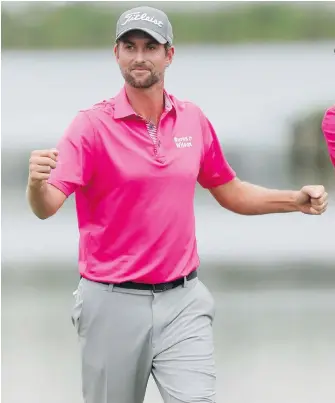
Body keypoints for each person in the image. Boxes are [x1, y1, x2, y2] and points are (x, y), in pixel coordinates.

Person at [26, 6, 329, 403]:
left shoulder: (193, 120)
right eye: (129, 46)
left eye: (150, 46)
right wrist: (35, 183)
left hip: (184, 300)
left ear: (169, 55)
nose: (139, 57)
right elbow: (46, 206)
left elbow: (228, 189)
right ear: (115, 53)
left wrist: (293, 200)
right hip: (112, 303)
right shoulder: (91, 127)